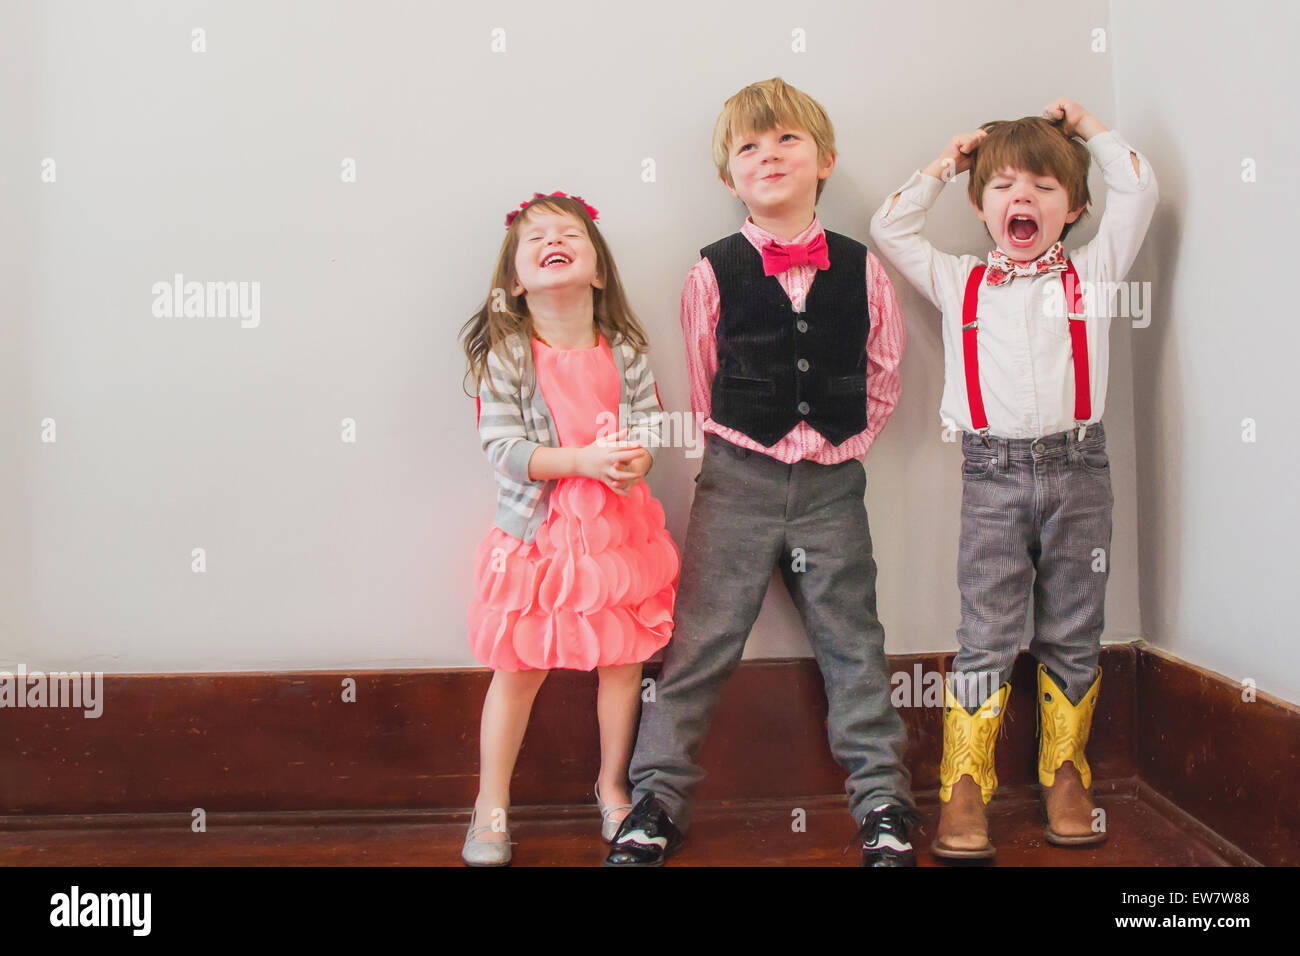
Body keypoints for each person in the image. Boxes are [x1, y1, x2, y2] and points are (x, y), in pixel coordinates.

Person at [605, 78, 917, 867]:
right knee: (699, 642)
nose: (769, 156)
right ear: (728, 177)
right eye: (749, 146)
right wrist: (750, 443)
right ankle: (656, 800)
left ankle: (882, 801)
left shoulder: (863, 269)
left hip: (832, 489)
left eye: (787, 141)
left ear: (826, 160)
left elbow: (885, 371)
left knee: (855, 642)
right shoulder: (711, 272)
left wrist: (842, 445)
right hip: (737, 481)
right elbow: (706, 372)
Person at [869, 98, 1158, 861]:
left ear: (1077, 206)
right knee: (988, 630)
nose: (1021, 198)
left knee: (1074, 622)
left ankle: (1066, 771)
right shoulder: (959, 280)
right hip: (991, 476)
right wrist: (946, 162)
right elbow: (888, 227)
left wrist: (1091, 129)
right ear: (979, 205)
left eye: (1043, 186)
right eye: (1001, 186)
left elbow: (1140, 189)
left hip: (1080, 471)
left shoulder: (1096, 270)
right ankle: (966, 784)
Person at [459, 191, 679, 865]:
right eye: (536, 239)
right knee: (519, 666)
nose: (554, 240)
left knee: (621, 662)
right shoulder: (509, 356)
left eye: (569, 235)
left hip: (615, 532)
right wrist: (580, 461)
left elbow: (647, 423)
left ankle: (613, 786)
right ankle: (490, 804)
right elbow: (505, 452)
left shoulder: (626, 350)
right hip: (539, 536)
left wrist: (638, 452)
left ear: (598, 270)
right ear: (515, 281)